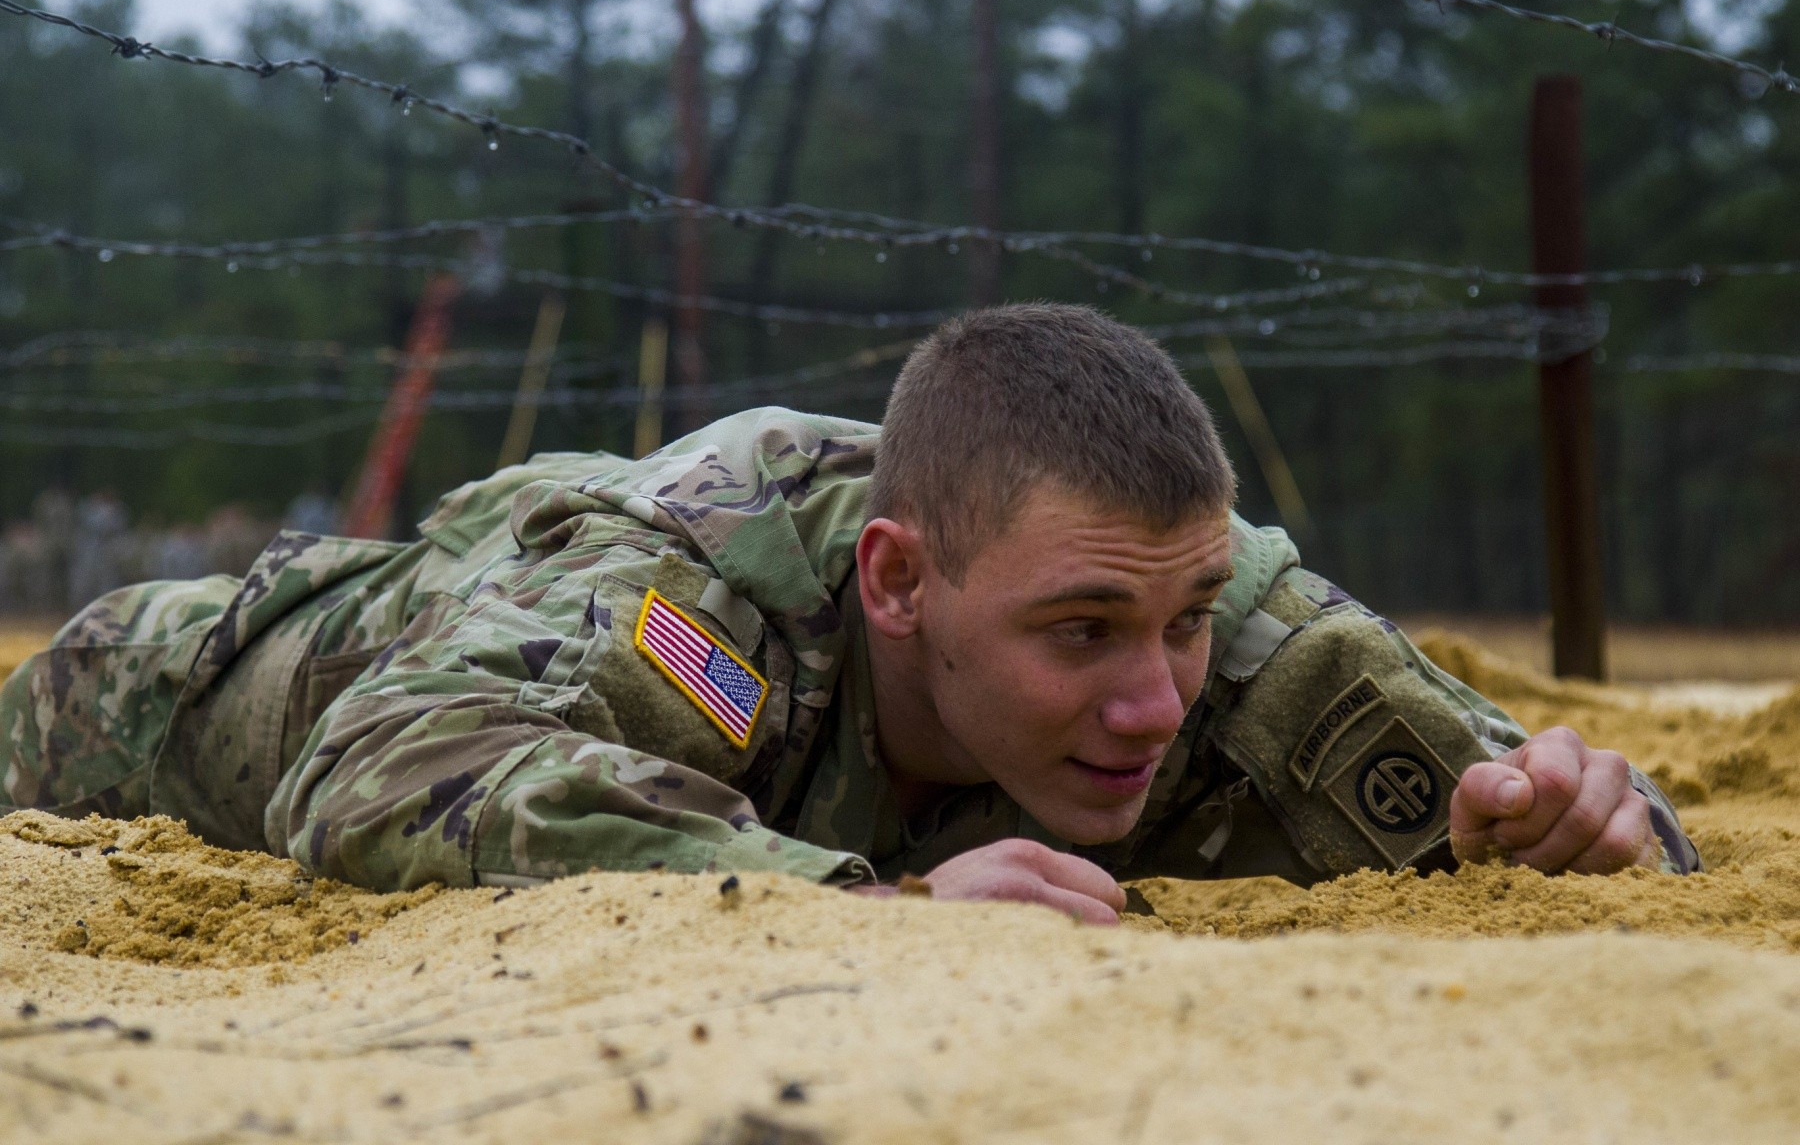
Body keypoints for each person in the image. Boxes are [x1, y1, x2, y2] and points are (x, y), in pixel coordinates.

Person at [0, 304, 1698, 923]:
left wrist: (1581, 820)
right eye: (1083, 635)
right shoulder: (685, 594)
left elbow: (1527, 802)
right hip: (180, 689)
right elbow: (385, 766)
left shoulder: (1197, 591)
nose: (1157, 700)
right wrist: (855, 897)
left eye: (1178, 626)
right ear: (897, 582)